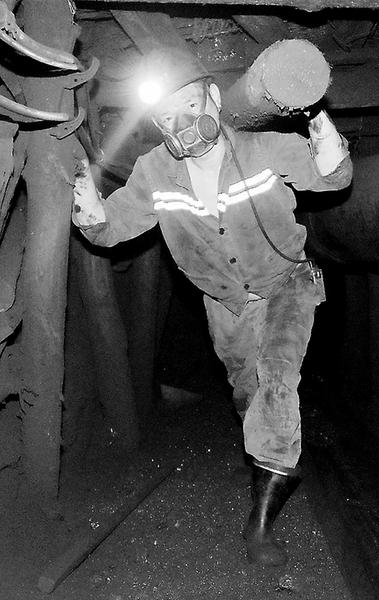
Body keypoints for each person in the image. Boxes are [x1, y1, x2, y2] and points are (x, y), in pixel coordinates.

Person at [72, 46, 352, 567]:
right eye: (166, 116)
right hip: (225, 304)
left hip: (286, 284)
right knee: (247, 391)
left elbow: (332, 177)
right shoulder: (154, 172)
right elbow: (112, 228)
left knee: (276, 376)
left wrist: (319, 123)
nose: (181, 124)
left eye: (190, 105)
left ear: (215, 99)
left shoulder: (265, 147)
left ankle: (260, 525)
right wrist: (88, 205)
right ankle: (265, 448)